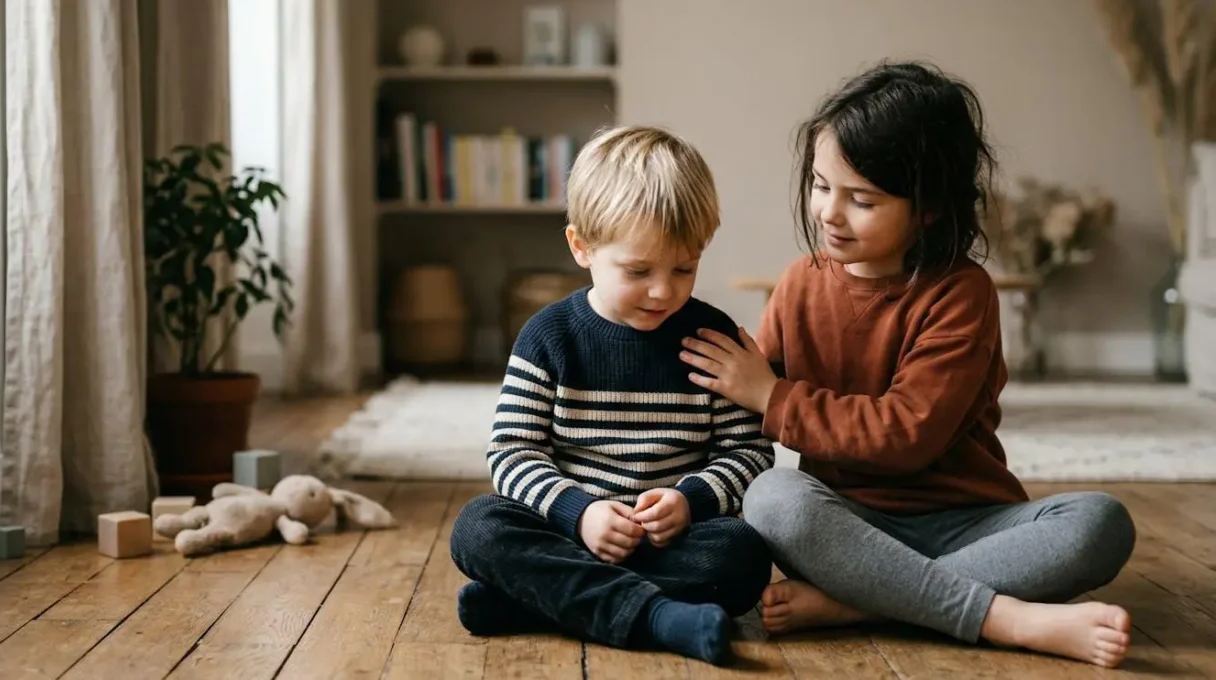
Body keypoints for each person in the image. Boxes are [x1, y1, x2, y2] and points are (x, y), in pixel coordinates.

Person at [678, 60, 1137, 668]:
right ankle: (1001, 615)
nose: (829, 213)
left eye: (861, 199)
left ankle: (863, 604)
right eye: (820, 186)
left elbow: (906, 434)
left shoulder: (962, 293)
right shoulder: (799, 284)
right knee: (772, 497)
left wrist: (774, 397)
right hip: (844, 530)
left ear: (927, 208)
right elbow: (736, 394)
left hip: (966, 523)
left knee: (1100, 522)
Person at [449, 125, 774, 666]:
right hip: (570, 533)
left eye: (684, 268)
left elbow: (749, 455)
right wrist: (580, 514)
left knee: (741, 558)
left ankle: (540, 599)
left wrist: (689, 501)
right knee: (478, 526)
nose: (664, 290)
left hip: (669, 542)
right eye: (638, 270)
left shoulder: (714, 341)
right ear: (582, 247)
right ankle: (656, 616)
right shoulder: (549, 336)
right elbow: (511, 454)